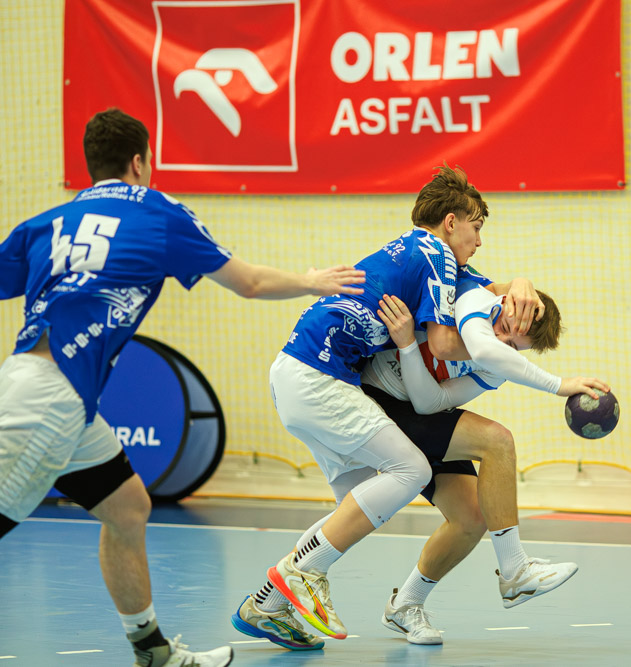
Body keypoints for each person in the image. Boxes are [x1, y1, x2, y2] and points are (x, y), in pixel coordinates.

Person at [0, 108, 366, 667]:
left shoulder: (45, 223)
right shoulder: (158, 212)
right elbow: (249, 282)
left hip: (50, 390)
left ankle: (154, 652)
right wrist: (311, 281)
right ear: (139, 162)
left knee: (128, 507)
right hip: (51, 402)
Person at [231, 165, 546, 650]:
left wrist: (521, 283)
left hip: (301, 376)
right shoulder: (436, 256)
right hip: (320, 375)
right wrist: (515, 365)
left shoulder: (425, 255)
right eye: (477, 226)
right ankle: (305, 576)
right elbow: (443, 345)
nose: (480, 240)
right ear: (450, 223)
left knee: (356, 508)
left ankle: (267, 603)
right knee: (411, 470)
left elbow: (487, 291)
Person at [366, 282, 608, 644]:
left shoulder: (497, 369)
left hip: (416, 410)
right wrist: (559, 385)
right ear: (506, 303)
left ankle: (405, 604)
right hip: (376, 396)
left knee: (471, 518)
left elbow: (430, 404)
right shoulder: (474, 299)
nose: (501, 341)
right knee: (497, 440)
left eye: (512, 346)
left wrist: (409, 349)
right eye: (505, 328)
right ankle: (515, 571)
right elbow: (482, 347)